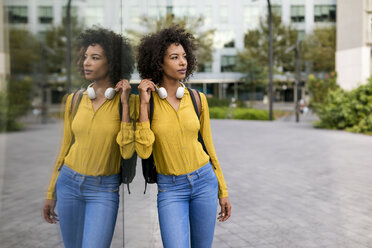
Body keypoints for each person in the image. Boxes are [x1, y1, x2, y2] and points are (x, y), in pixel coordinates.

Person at [135, 26, 231, 248]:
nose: (183, 62)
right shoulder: (146, 103)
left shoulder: (197, 99)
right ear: (159, 63)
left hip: (205, 181)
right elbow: (143, 151)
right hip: (171, 189)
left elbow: (209, 147)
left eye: (184, 57)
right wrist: (142, 105)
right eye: (174, 57)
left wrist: (222, 190)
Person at [42, 27, 135, 248]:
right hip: (69, 184)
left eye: (95, 58)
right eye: (85, 57)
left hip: (104, 189)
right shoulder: (74, 100)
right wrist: (51, 192)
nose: (86, 62)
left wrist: (123, 106)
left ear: (112, 62)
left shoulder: (128, 102)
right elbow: (64, 149)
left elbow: (128, 151)